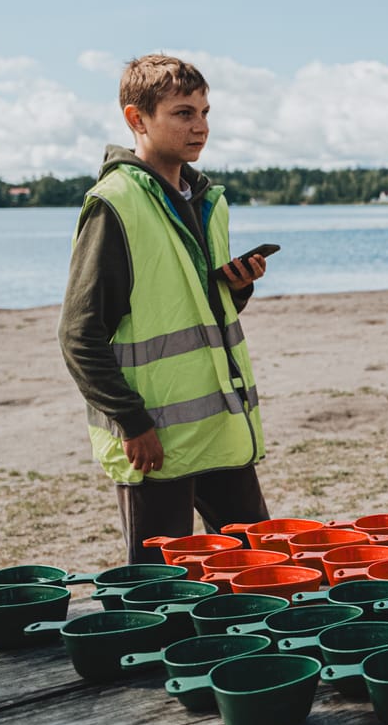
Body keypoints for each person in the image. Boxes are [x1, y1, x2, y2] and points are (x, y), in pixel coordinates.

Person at [58, 54, 271, 563]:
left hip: (221, 431)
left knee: (257, 566)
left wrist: (235, 288)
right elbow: (79, 335)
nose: (201, 127)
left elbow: (190, 309)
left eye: (205, 112)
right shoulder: (116, 205)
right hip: (154, 442)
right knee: (160, 587)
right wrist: (132, 424)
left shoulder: (206, 200)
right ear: (137, 119)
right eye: (183, 113)